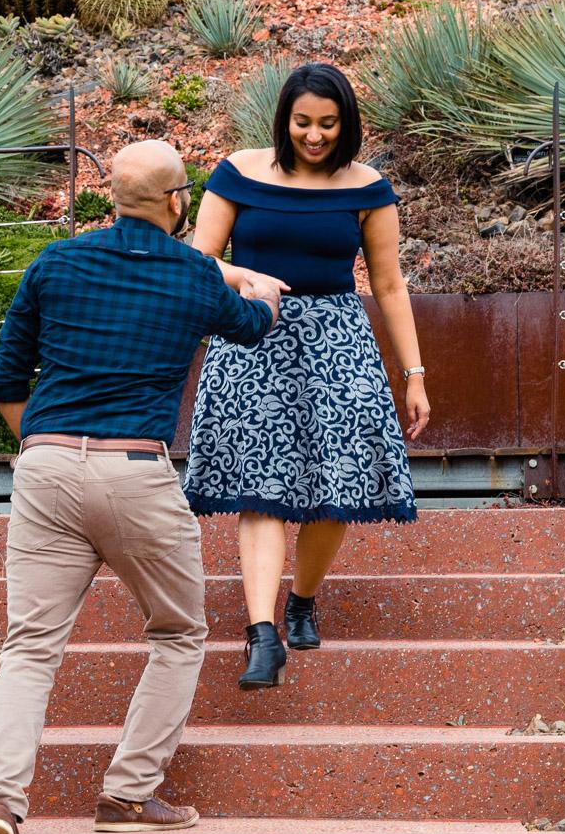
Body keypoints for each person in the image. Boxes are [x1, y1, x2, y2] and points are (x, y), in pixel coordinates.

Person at [0, 139, 279, 834]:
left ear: (111, 197)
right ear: (178, 201)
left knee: (29, 647)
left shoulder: (55, 264)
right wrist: (264, 293)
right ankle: (128, 794)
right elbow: (249, 326)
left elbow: (7, 378)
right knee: (178, 633)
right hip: (137, 472)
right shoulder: (189, 274)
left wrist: (44, 449)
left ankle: (1, 810)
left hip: (44, 466)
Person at [183, 61, 430, 689]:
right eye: (302, 123)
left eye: (327, 124)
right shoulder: (239, 173)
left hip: (339, 345)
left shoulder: (368, 186)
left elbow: (389, 283)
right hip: (253, 338)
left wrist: (414, 373)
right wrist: (247, 280)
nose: (314, 135)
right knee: (261, 490)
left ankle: (302, 599)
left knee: (339, 485)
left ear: (345, 123)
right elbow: (198, 262)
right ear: (283, 119)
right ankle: (262, 635)